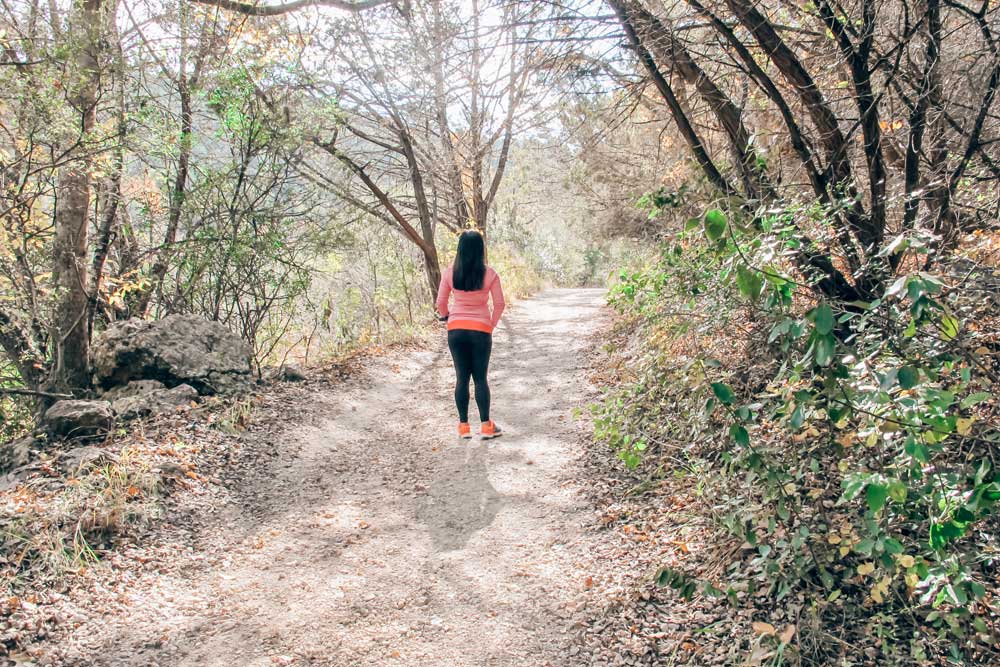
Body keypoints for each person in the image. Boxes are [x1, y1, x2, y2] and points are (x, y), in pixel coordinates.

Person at [436, 230, 506, 440]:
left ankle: (464, 428)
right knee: (480, 379)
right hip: (481, 330)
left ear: (460, 249)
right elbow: (500, 304)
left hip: (456, 330)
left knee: (461, 378)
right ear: (480, 250)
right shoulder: (490, 274)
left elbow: (440, 303)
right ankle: (486, 427)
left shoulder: (450, 272)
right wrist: (490, 325)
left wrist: (448, 317)